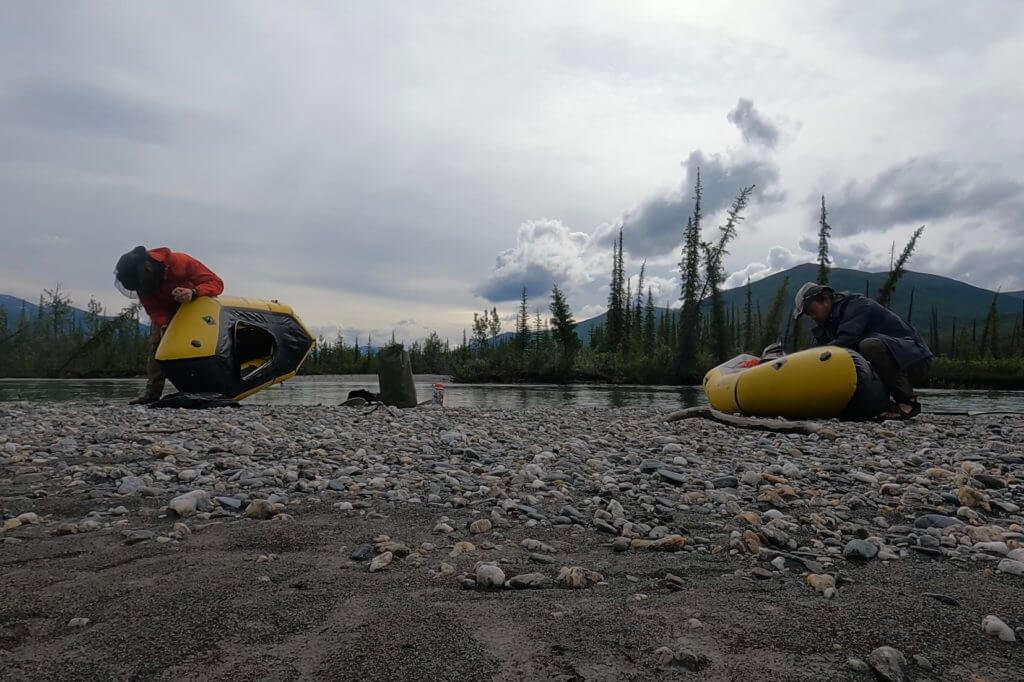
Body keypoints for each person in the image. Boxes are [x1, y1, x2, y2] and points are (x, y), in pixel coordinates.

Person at [793, 282, 933, 419]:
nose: (813, 317)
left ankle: (907, 403)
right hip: (892, 359)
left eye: (812, 311)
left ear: (824, 299)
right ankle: (882, 404)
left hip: (915, 360)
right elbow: (818, 353)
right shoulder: (827, 324)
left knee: (869, 346)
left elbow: (846, 341)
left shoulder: (857, 305)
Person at [114, 246, 224, 404]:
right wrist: (164, 324)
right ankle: (152, 393)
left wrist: (193, 292)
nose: (141, 289)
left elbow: (216, 283)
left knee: (201, 346)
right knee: (157, 345)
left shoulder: (180, 262)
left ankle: (212, 387)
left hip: (197, 308)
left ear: (148, 268)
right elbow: (154, 309)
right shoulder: (141, 283)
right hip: (168, 314)